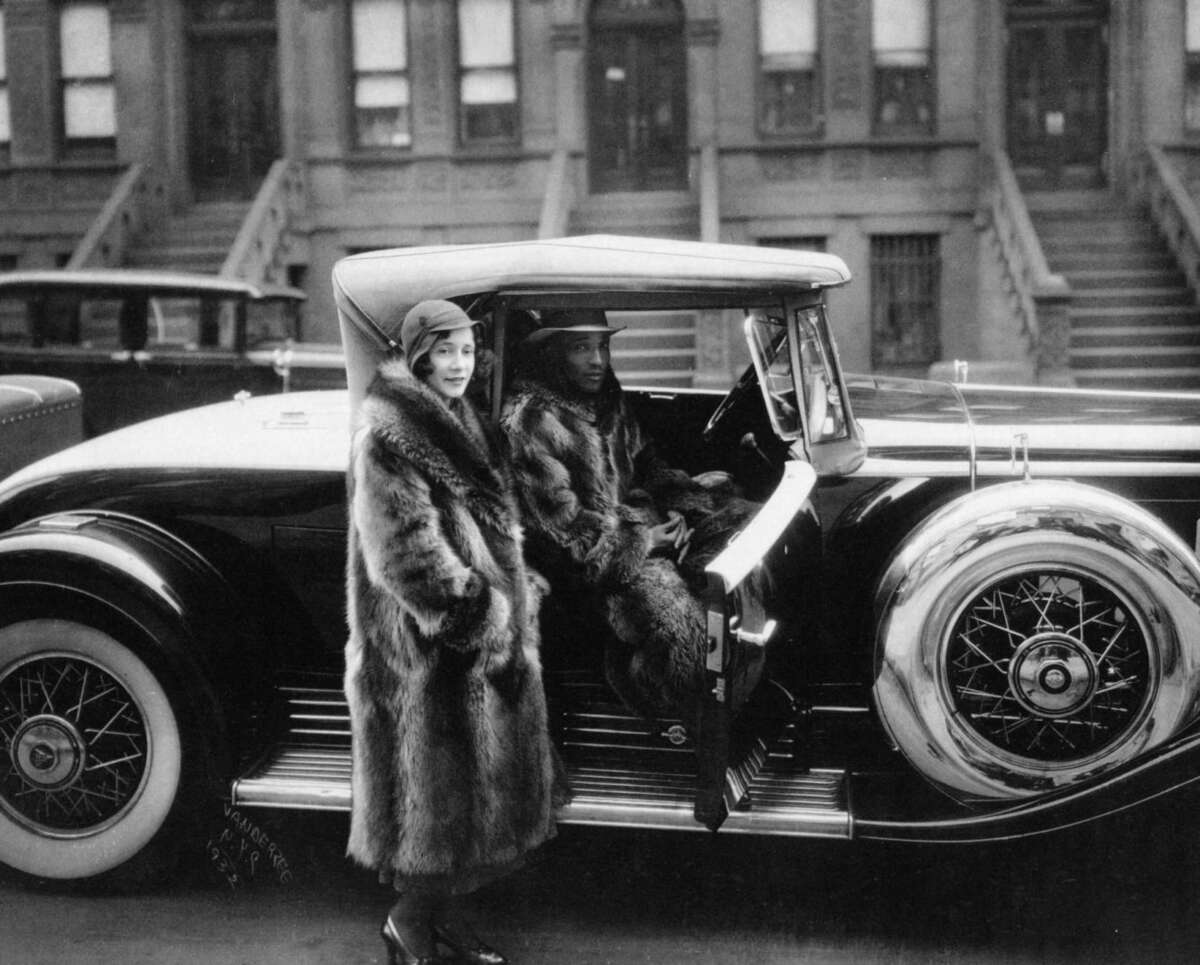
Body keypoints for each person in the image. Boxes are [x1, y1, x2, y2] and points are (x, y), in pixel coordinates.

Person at [344, 299, 561, 965]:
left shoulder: (460, 417)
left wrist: (518, 593)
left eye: (467, 351)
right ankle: (407, 924)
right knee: (435, 805)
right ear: (419, 356)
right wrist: (484, 618)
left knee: (476, 805)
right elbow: (404, 556)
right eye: (445, 351)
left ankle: (447, 923)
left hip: (473, 639)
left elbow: (490, 527)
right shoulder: (389, 434)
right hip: (425, 648)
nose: (459, 364)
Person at [500, 309, 753, 724]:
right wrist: (646, 540)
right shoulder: (530, 421)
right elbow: (564, 531)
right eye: (581, 347)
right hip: (587, 573)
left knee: (740, 521)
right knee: (686, 636)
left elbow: (647, 463)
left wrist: (681, 508)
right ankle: (659, 709)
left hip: (638, 527)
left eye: (603, 346)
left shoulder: (606, 399)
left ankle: (743, 687)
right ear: (553, 353)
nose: (597, 360)